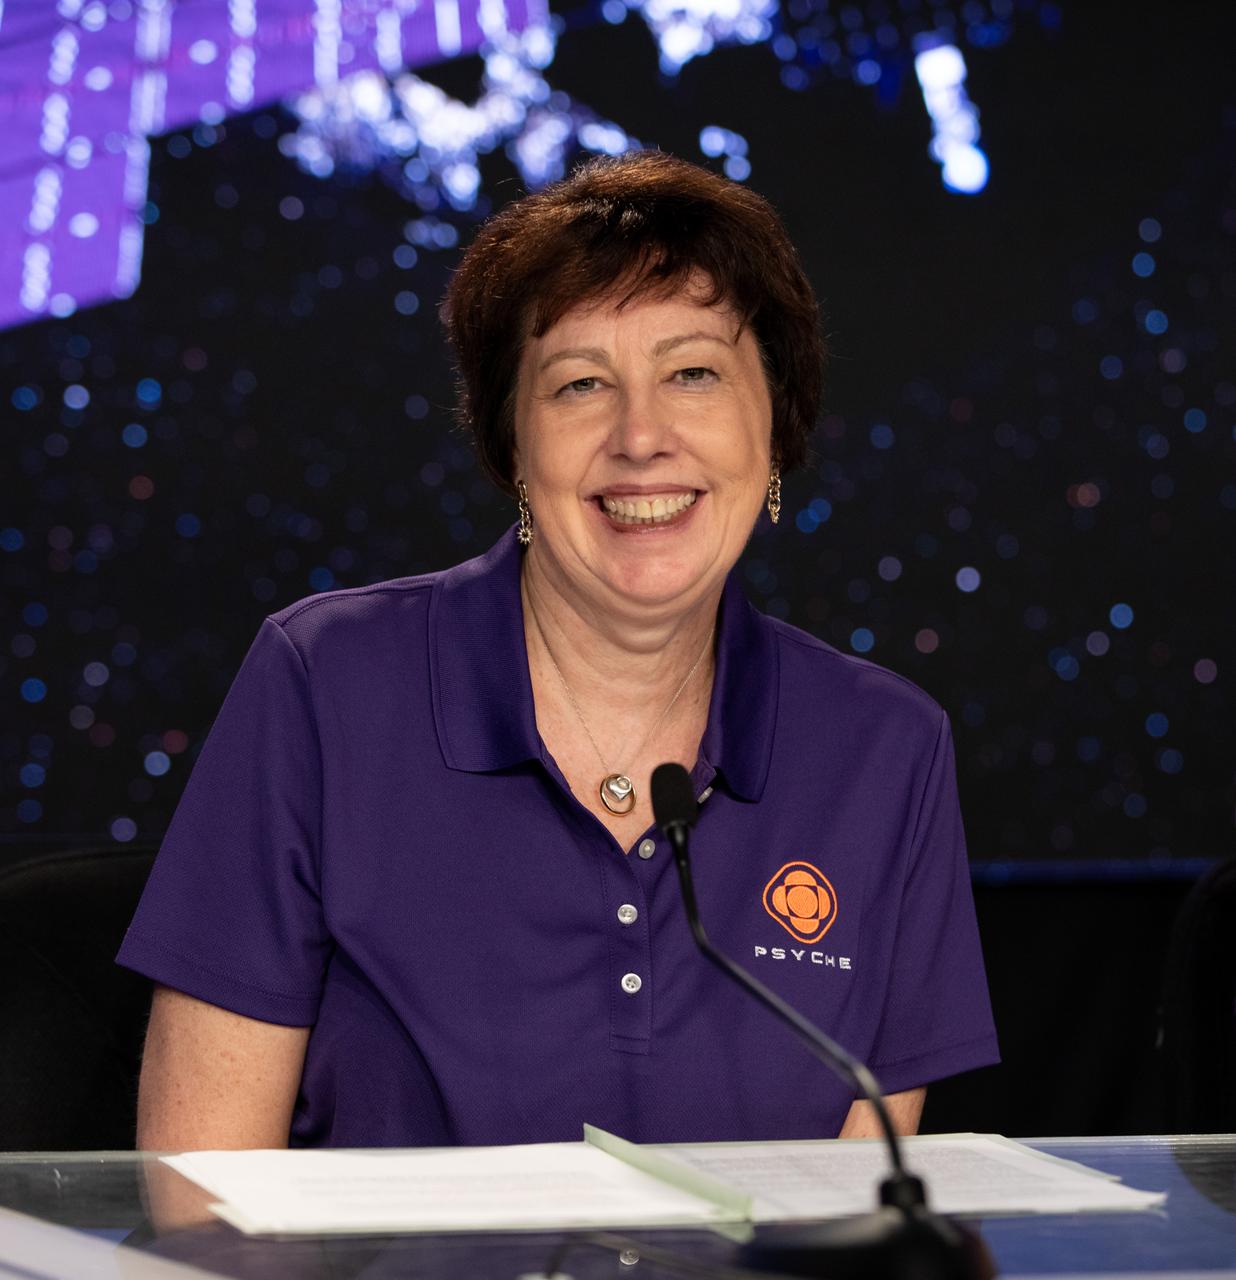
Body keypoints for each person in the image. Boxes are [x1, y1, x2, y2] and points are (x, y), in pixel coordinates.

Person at [118, 151, 999, 1151]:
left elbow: (867, 1199)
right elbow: (201, 1188)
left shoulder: (887, 749)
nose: (641, 436)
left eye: (694, 373)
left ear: (776, 427)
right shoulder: (325, 685)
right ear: (513, 448)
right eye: (580, 384)